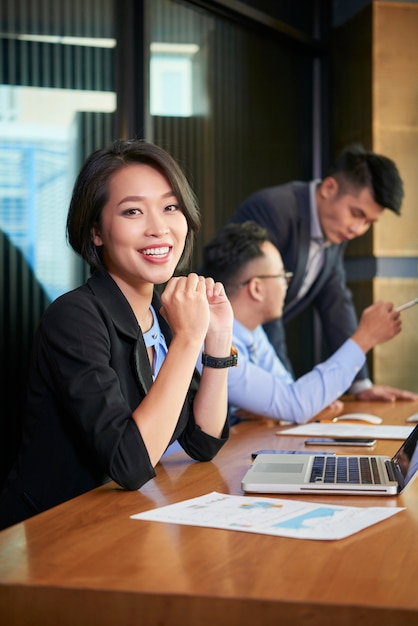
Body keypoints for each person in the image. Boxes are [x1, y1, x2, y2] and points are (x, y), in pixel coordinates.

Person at [0, 139, 234, 530]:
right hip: (50, 534)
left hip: (116, 523)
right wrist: (188, 339)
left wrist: (216, 338)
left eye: (170, 206)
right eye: (133, 211)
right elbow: (130, 463)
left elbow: (202, 440)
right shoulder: (74, 317)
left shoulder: (156, 314)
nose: (159, 228)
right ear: (96, 231)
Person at [228, 143, 416, 402]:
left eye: (369, 223)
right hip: (223, 348)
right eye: (356, 214)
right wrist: (292, 399)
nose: (358, 229)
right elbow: (260, 303)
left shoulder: (336, 229)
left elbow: (336, 303)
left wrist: (360, 384)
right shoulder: (274, 209)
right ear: (329, 188)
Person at [200, 221, 416, 424]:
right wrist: (365, 338)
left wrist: (286, 406)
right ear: (256, 288)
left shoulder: (254, 333)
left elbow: (290, 394)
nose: (287, 284)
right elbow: (297, 404)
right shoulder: (211, 340)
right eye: (282, 276)